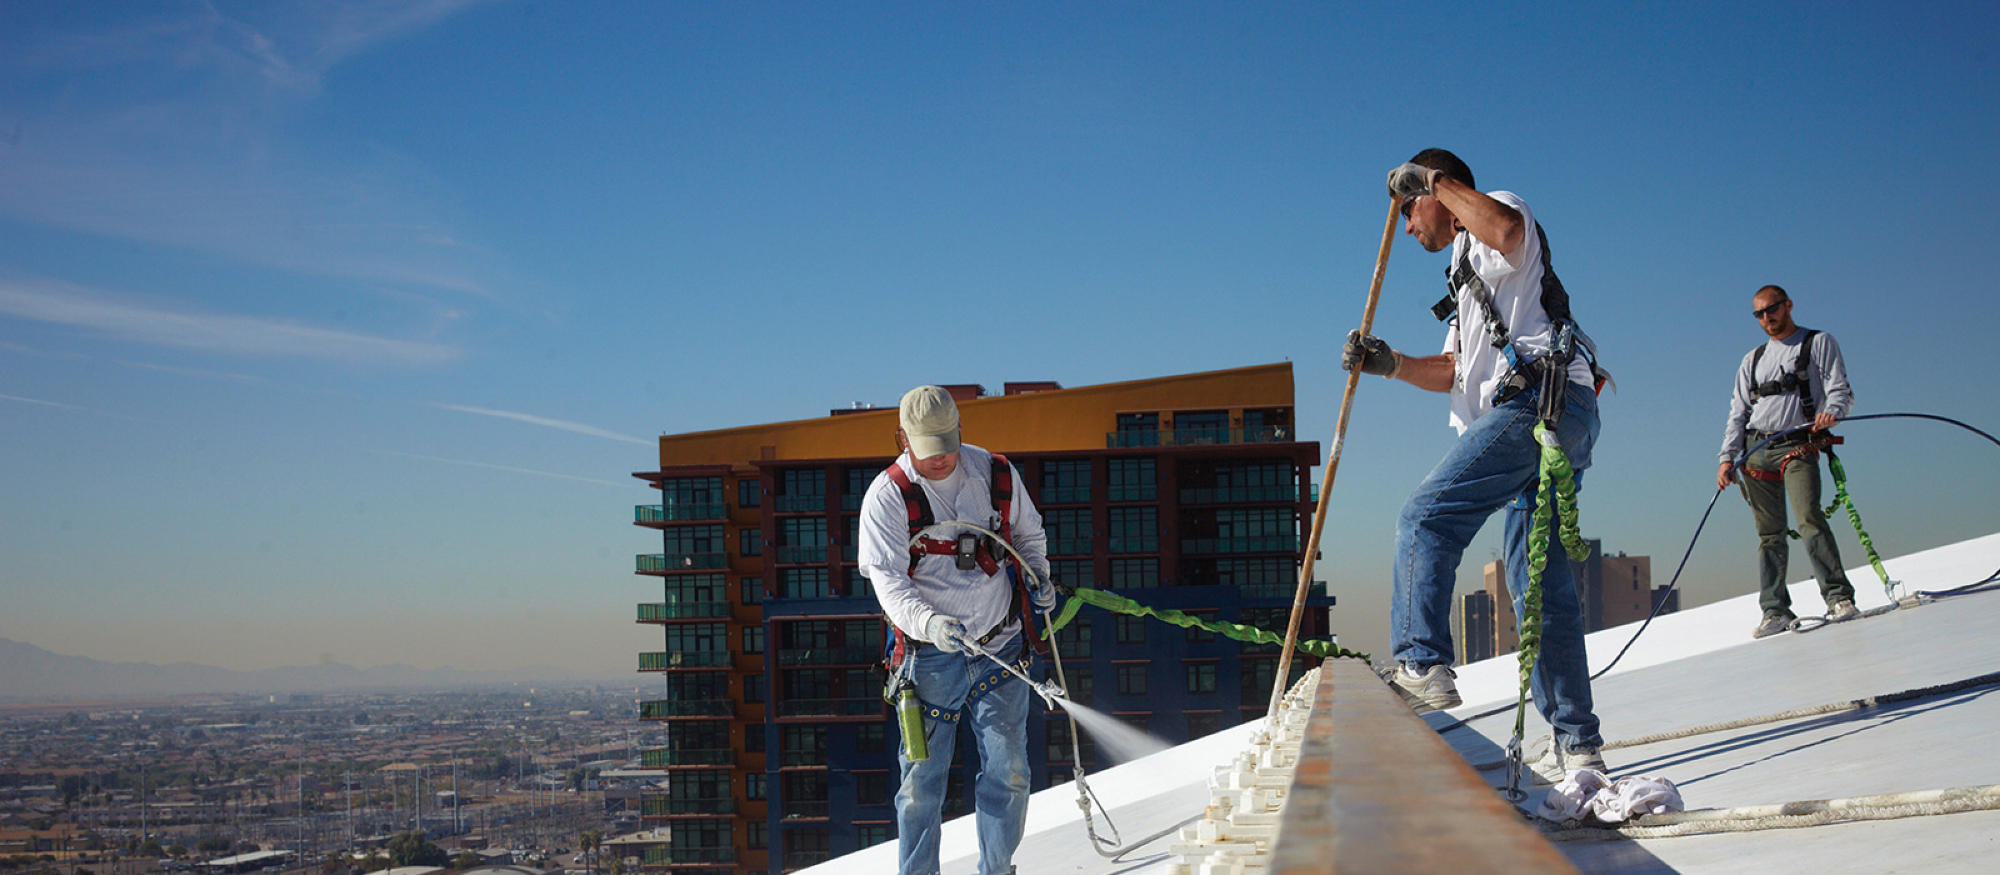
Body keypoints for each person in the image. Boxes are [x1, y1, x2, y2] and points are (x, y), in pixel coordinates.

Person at [1342, 148, 1607, 780]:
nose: (1408, 227)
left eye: (1410, 210)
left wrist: (1431, 178)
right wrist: (1389, 363)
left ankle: (1421, 664)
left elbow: (1507, 232)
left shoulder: (1503, 214)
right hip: (1545, 417)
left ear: (1437, 194)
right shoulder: (1464, 271)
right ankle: (1579, 745)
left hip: (1537, 407)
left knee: (1426, 518)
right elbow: (1454, 372)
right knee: (1538, 585)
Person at [858, 385, 1054, 875]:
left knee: (1009, 773)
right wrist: (931, 624)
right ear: (901, 438)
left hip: (1000, 645)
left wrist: (1038, 576)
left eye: (948, 445)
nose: (941, 459)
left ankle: (998, 869)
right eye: (928, 450)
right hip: (930, 658)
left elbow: (1027, 534)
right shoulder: (886, 499)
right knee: (921, 786)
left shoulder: (994, 473)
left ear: (960, 429)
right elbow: (890, 586)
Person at [1717, 285, 1857, 638]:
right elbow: (1738, 412)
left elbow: (1839, 389)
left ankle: (1839, 598)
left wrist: (1832, 413)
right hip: (1756, 451)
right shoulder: (1752, 360)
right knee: (1769, 535)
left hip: (1798, 444)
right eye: (1760, 314)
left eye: (1773, 309)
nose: (1767, 318)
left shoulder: (1818, 342)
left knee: (1809, 519)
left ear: (1788, 305)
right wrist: (1726, 459)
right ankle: (1775, 610)